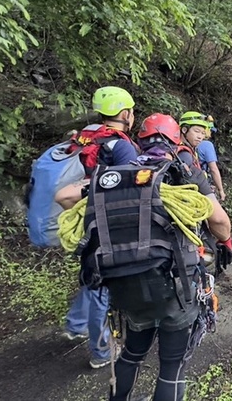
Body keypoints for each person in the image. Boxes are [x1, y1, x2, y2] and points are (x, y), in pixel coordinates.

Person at [106, 113, 226, 401]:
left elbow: (69, 198)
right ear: (176, 139)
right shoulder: (185, 173)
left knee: (132, 353)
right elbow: (221, 224)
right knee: (171, 367)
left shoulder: (121, 175)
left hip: (130, 280)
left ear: (140, 141)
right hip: (176, 283)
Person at [57, 86, 138, 369]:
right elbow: (128, 186)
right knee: (102, 284)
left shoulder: (86, 136)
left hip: (84, 215)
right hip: (105, 219)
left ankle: (75, 324)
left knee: (91, 275)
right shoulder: (121, 145)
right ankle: (102, 352)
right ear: (125, 113)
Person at [179, 111, 226, 202]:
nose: (200, 136)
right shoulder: (184, 153)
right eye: (197, 131)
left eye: (203, 133)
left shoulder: (192, 149)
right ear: (184, 130)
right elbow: (213, 169)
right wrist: (221, 190)